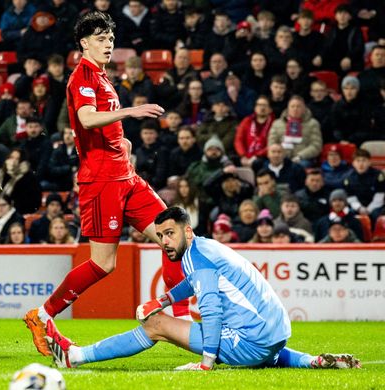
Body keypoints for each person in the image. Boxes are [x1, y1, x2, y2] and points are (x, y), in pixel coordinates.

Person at [24, 12, 189, 359]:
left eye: (111, 39)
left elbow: (100, 126)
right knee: (103, 263)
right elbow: (86, 119)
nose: (108, 44)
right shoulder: (82, 77)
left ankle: (185, 321)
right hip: (101, 182)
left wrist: (121, 143)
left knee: (176, 237)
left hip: (126, 176)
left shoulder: (101, 76)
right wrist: (131, 112)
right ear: (84, 43)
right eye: (100, 39)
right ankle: (43, 315)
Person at [46, 207, 361, 371]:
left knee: (156, 325)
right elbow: (194, 284)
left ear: (187, 231)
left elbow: (211, 310)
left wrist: (206, 363)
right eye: (160, 235)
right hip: (276, 335)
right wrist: (163, 299)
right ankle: (310, 361)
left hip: (252, 340)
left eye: (170, 233)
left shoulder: (198, 259)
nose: (164, 241)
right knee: (257, 347)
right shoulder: (204, 248)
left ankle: (75, 356)